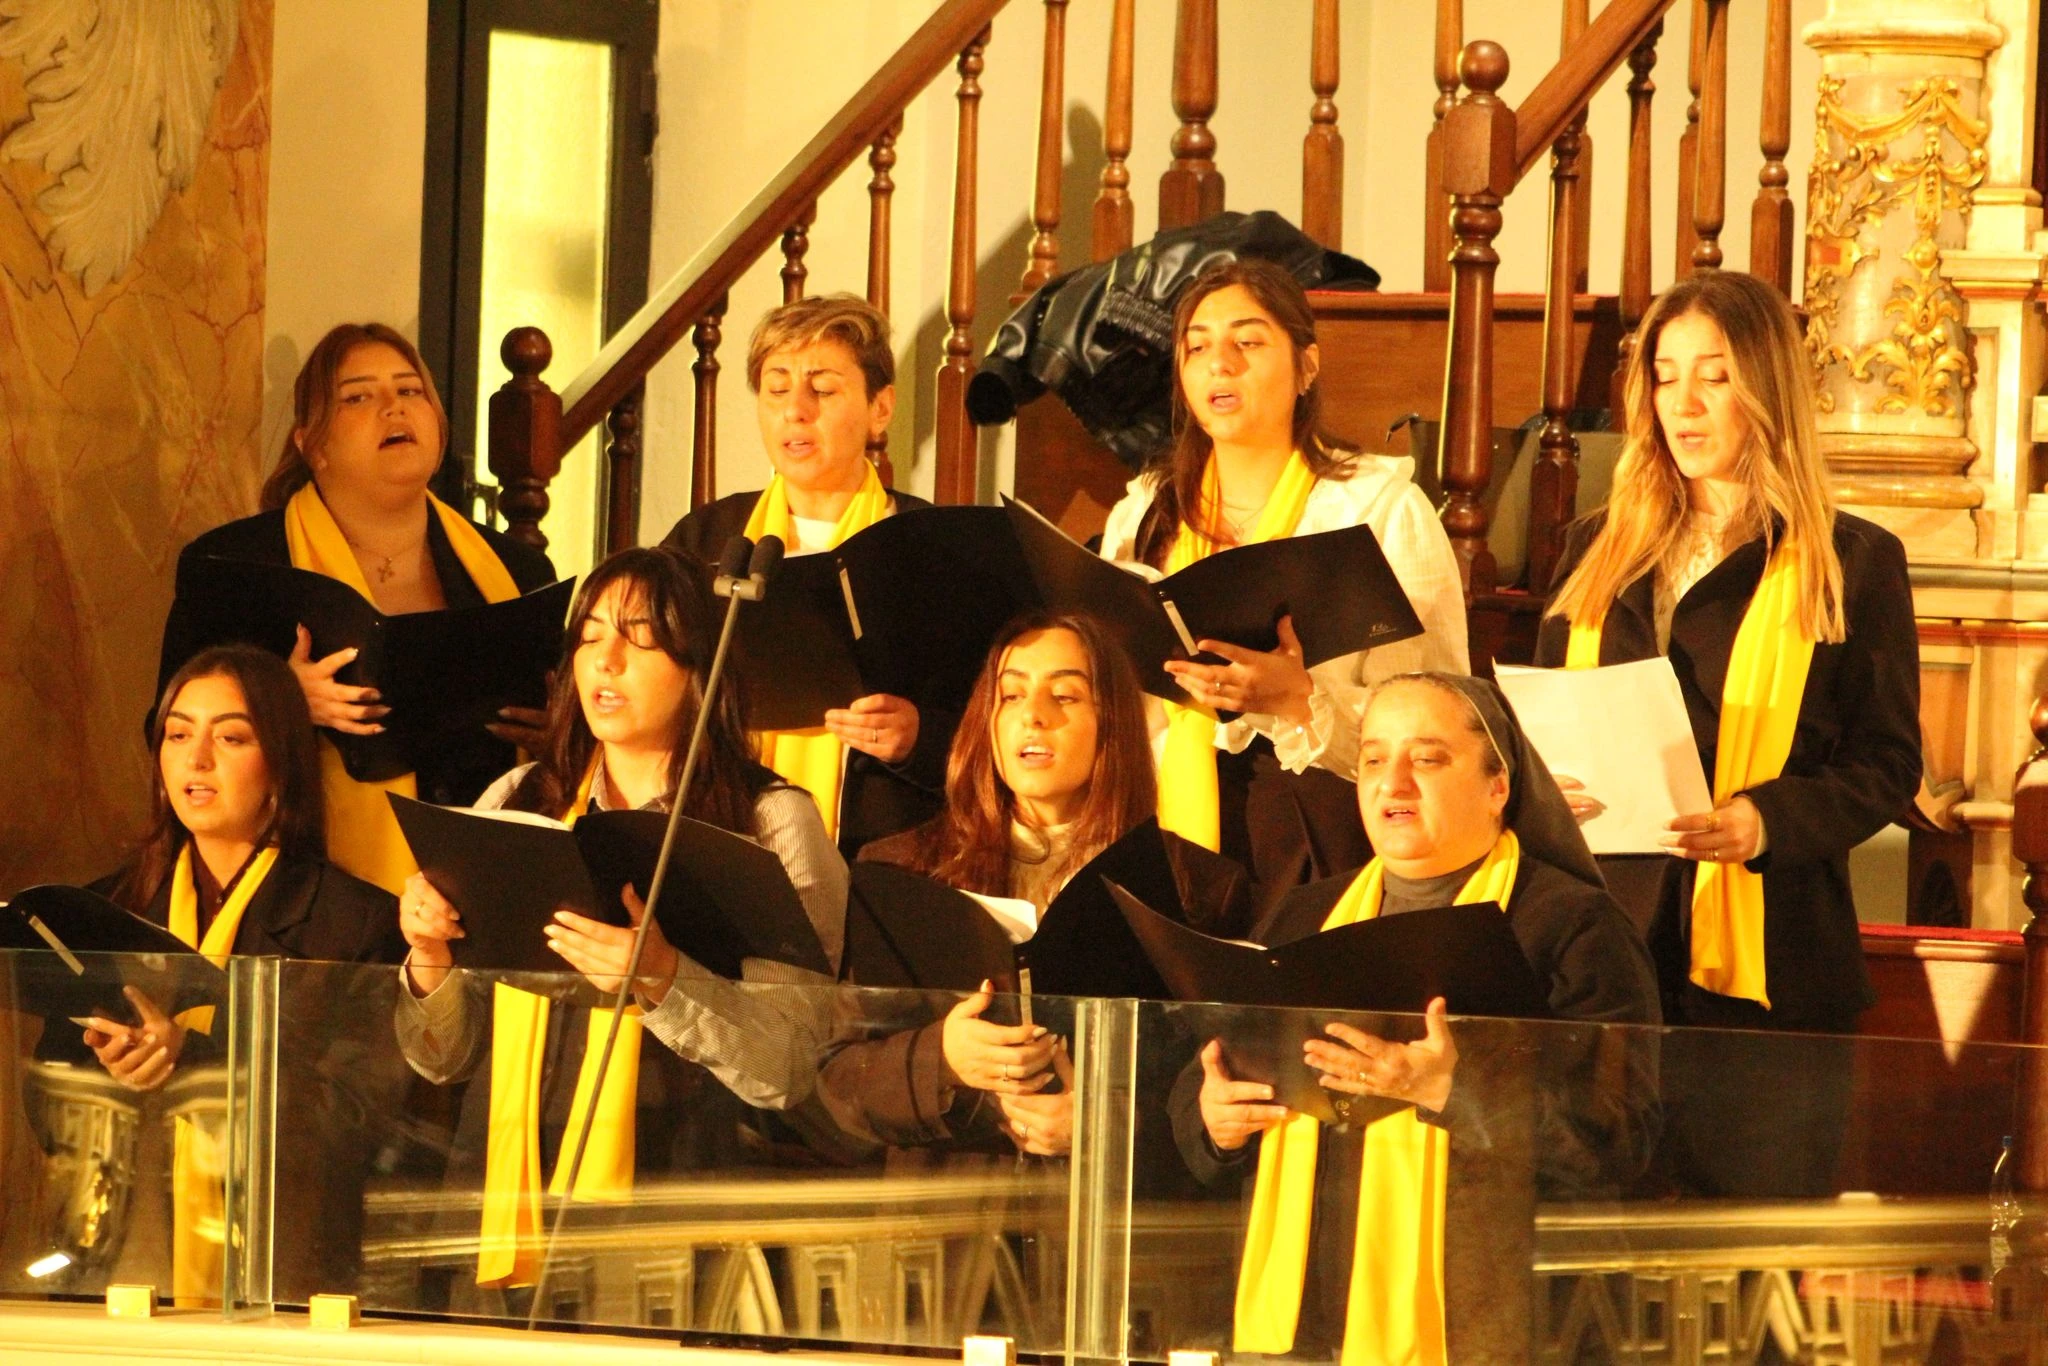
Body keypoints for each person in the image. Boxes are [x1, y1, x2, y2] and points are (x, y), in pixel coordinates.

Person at [1535, 270, 1921, 1196]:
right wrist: (1553, 786)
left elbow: (1887, 763)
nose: (1684, 402)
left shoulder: (1851, 559)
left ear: (1766, 387)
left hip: (1771, 957)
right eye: (1665, 375)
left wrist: (1766, 822)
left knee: (1750, 1269)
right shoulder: (1596, 545)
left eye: (1713, 374)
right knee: (1599, 1267)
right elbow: (1536, 722)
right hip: (1608, 942)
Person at [392, 546, 847, 1302]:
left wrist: (667, 981)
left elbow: (793, 1063)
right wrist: (430, 956)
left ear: (698, 666)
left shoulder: (769, 822)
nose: (604, 660)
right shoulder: (519, 799)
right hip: (499, 1213)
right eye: (590, 636)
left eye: (637, 639)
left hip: (672, 1224)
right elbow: (441, 1058)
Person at [1174, 672, 1659, 1361]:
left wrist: (1449, 1090)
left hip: (1488, 1327)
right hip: (1302, 1328)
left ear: (1500, 787)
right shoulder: (1303, 915)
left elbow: (1623, 1139)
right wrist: (1215, 1118)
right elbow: (1202, 1083)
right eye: (1373, 758)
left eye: (1427, 759)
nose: (1392, 782)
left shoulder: (1573, 926)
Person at [1098, 257, 1469, 911]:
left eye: (1248, 342)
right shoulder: (1142, 513)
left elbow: (1443, 712)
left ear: (1307, 366)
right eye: (1198, 347)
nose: (1221, 363)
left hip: (1311, 828)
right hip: (1156, 824)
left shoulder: (1374, 509)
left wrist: (1299, 700)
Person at [817, 611, 1251, 1161]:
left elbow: (1218, 1094)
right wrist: (943, 1056)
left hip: (1115, 1225)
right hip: (949, 1225)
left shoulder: (1197, 888)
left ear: (1113, 724)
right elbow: (839, 1078)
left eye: (1066, 697)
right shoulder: (902, 869)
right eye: (1011, 696)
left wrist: (1109, 1122)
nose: (1034, 717)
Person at [155, 322, 557, 894]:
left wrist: (557, 732)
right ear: (312, 444)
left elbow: (570, 732)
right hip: (301, 895)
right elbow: (164, 730)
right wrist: (277, 700)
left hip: (477, 882)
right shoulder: (234, 567)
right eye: (359, 396)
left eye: (410, 391)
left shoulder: (517, 571)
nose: (394, 408)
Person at [59, 644, 401, 1303]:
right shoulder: (102, 912)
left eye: (231, 737)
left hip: (287, 1274)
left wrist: (195, 1061)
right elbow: (45, 1108)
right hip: (121, 1271)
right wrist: (104, 1069)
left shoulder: (353, 923)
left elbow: (361, 1123)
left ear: (282, 762)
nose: (197, 758)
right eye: (178, 733)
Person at [661, 294, 953, 856]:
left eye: (822, 389)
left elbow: (990, 721)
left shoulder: (933, 546)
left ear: (881, 408)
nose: (796, 409)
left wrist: (919, 738)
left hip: (886, 856)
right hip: (722, 839)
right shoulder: (704, 540)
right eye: (776, 389)